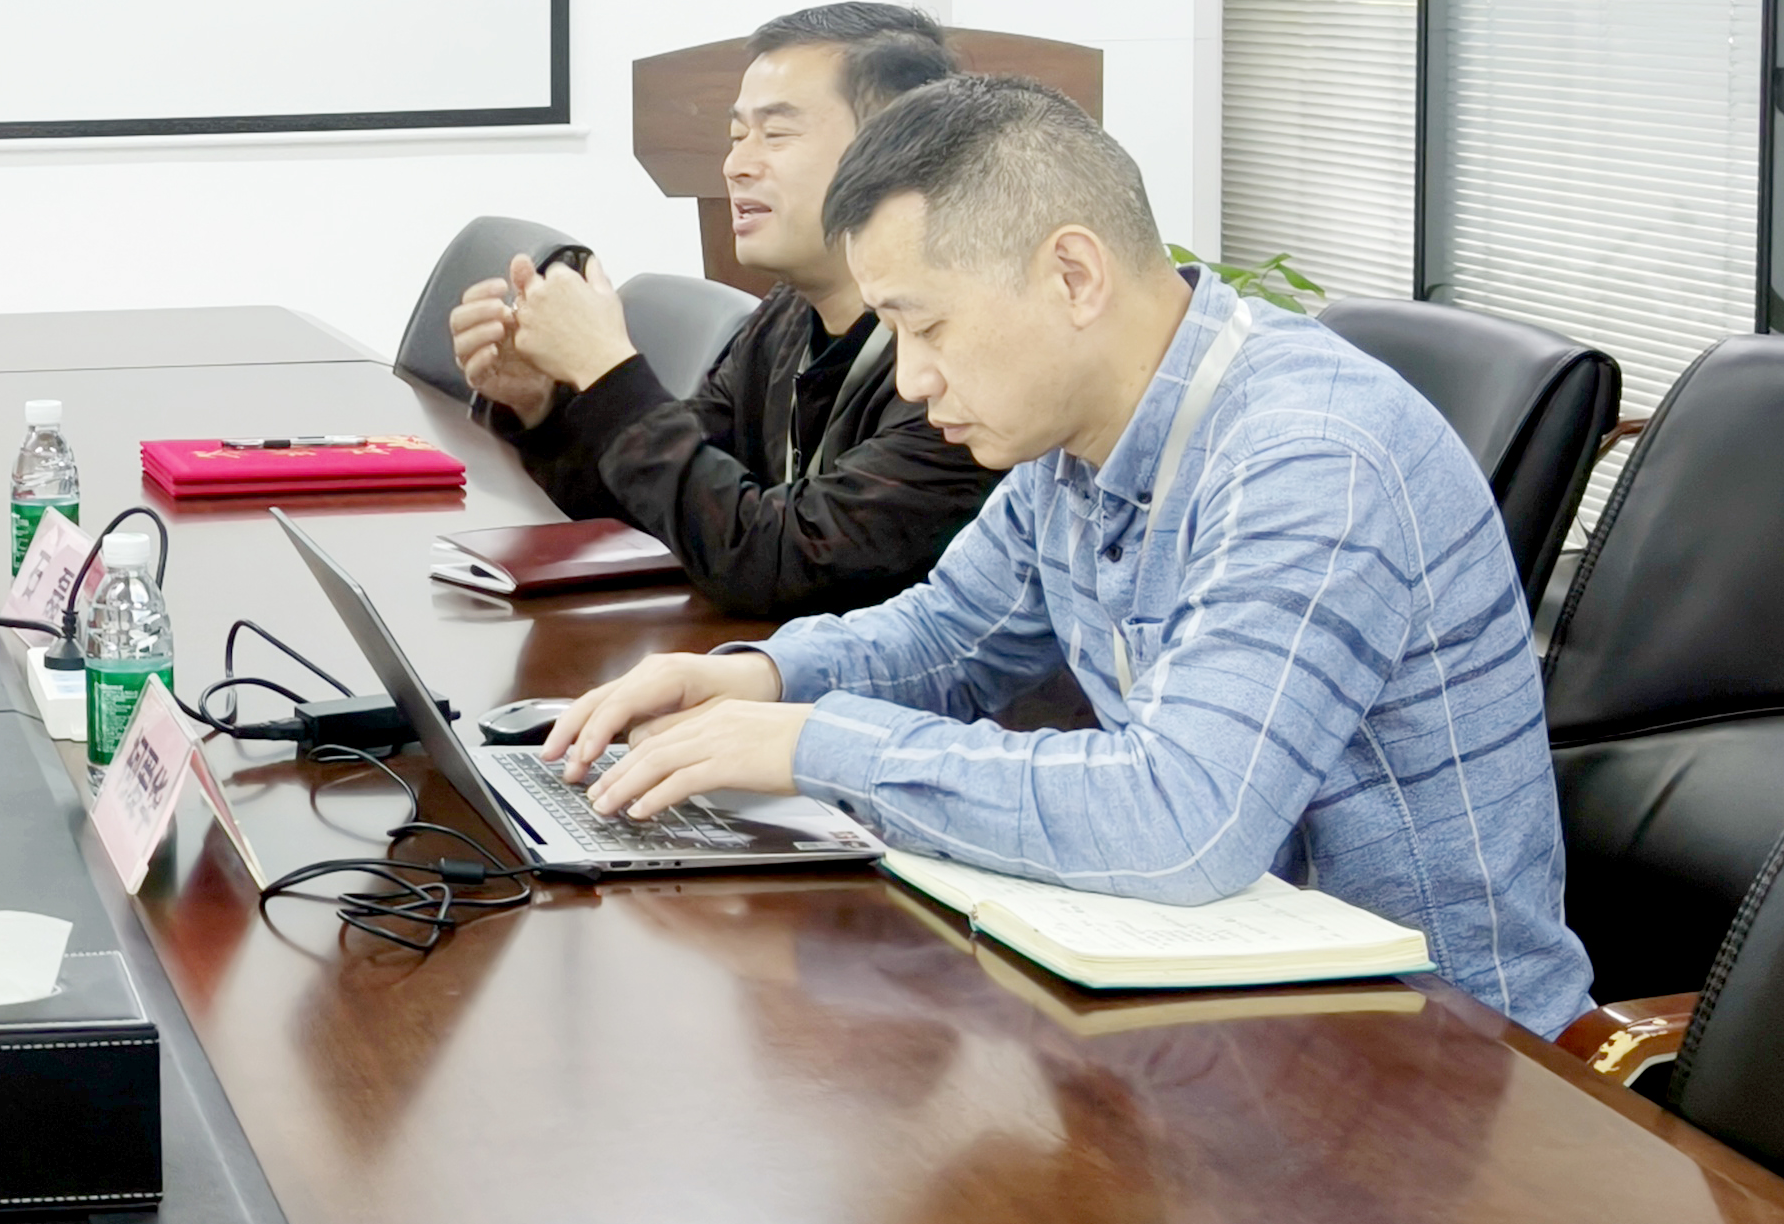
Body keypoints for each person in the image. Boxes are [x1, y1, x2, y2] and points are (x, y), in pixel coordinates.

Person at [538, 76, 1591, 1035]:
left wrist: (814, 743)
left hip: (1435, 1054)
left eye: (927, 327)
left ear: (1073, 275)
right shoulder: (1076, 435)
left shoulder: (1307, 454)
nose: (911, 381)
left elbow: (1182, 819)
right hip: (1230, 1011)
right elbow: (950, 637)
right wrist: (755, 680)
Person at [449, 1, 991, 616]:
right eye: (737, 137)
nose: (736, 165)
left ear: (896, 154)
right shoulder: (786, 318)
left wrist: (606, 369)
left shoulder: (961, 368)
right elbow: (672, 506)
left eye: (776, 135)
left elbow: (782, 563)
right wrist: (542, 404)